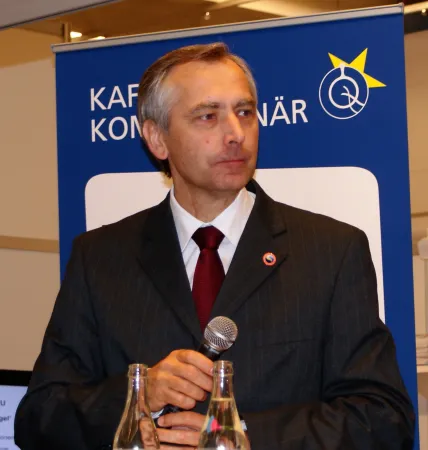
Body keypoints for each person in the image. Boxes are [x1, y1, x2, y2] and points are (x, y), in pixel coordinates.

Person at [15, 42, 414, 450]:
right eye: (208, 116)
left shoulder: (331, 252)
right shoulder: (100, 257)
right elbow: (40, 418)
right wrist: (139, 393)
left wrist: (240, 436)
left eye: (245, 112)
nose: (235, 134)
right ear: (157, 139)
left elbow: (382, 418)